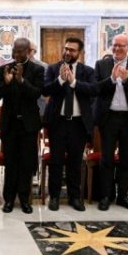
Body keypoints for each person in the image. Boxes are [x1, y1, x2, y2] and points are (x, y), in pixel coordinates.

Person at [94, 34, 128, 211]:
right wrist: (111, 79)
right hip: (108, 117)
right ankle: (106, 196)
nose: (117, 49)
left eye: (121, 46)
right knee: (106, 159)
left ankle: (122, 196)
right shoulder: (101, 64)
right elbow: (95, 89)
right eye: (115, 45)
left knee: (126, 159)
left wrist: (127, 80)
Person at [43, 37, 95, 212]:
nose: (67, 52)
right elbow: (45, 90)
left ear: (79, 53)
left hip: (78, 124)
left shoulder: (87, 71)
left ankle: (75, 197)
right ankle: (54, 197)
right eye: (66, 48)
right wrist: (60, 79)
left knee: (75, 162)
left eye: (72, 50)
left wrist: (73, 82)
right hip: (57, 122)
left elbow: (92, 90)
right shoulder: (52, 68)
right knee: (56, 161)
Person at [0, 38, 44, 214]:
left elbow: (36, 93)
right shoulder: (4, 69)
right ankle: (8, 200)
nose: (16, 54)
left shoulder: (37, 70)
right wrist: (7, 82)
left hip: (28, 124)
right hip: (9, 123)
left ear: (28, 51)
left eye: (20, 51)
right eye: (14, 50)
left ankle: (24, 199)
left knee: (26, 163)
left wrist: (22, 80)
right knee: (10, 163)